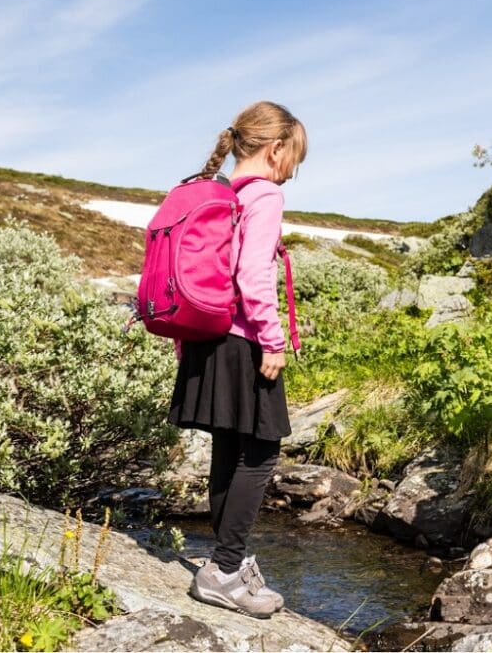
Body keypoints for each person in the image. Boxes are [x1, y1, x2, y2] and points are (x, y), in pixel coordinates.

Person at [169, 101, 307, 617]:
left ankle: (229, 562)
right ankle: (226, 571)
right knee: (263, 451)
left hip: (207, 338)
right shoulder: (265, 194)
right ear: (274, 149)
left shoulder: (218, 192)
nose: (294, 169)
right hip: (244, 341)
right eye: (295, 157)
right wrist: (272, 339)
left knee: (228, 450)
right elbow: (252, 276)